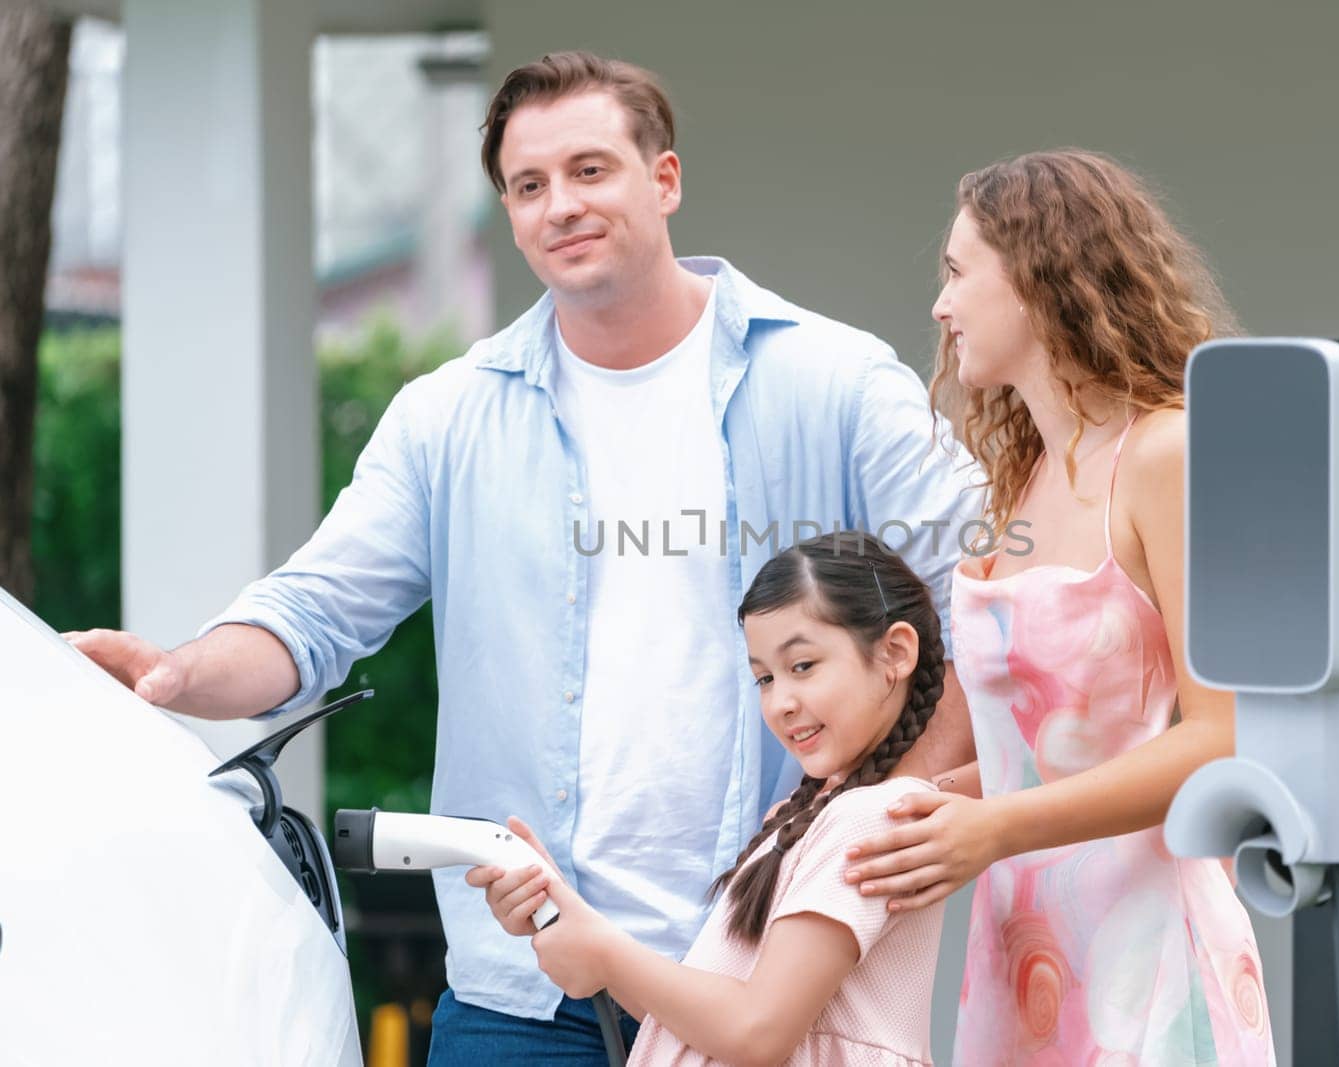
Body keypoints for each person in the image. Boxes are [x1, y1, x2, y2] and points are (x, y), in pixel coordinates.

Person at [64, 52, 977, 1063]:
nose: (561, 206)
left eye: (591, 170)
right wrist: (177, 672)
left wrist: (882, 819)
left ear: (663, 179)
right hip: (521, 990)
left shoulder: (837, 383)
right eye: (528, 186)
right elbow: (314, 611)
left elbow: (979, 605)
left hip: (760, 979)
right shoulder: (445, 419)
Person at [841, 150, 1277, 1064]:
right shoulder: (1022, 477)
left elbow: (1222, 737)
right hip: (1021, 953)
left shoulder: (1168, 453)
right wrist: (912, 807)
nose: (940, 305)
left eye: (958, 273)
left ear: (1040, 280)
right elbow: (1029, 757)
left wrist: (989, 827)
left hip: (1148, 956)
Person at [477, 533, 949, 1065]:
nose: (782, 703)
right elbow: (704, 1024)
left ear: (896, 652)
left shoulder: (871, 819)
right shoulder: (804, 818)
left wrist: (605, 953)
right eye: (764, 678)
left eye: (803, 666)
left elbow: (756, 1032)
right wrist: (566, 915)